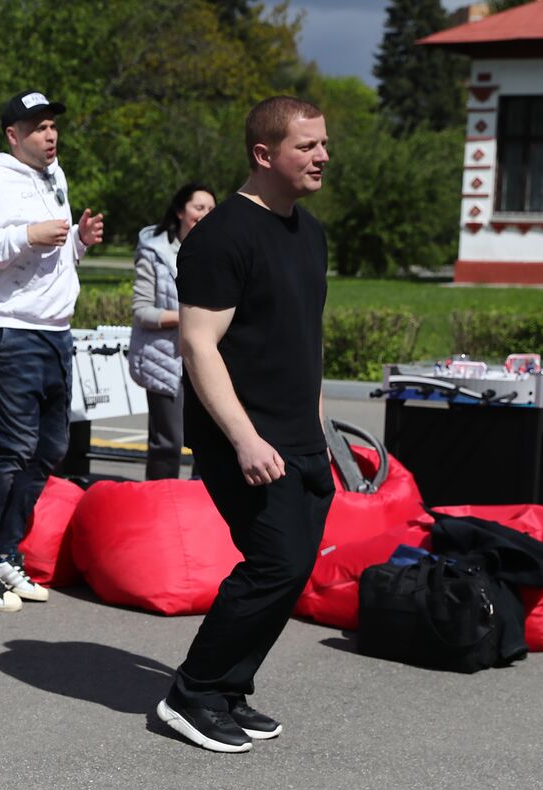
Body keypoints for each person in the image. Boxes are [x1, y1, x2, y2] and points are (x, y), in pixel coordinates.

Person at [155, 96, 334, 753]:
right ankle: (191, 694)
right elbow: (198, 345)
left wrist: (320, 429)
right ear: (264, 154)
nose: (322, 156)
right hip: (245, 437)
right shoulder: (222, 236)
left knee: (292, 569)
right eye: (306, 146)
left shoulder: (310, 233)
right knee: (274, 562)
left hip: (300, 434)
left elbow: (304, 341)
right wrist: (244, 439)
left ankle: (228, 688)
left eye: (323, 143)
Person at [0, 90, 105, 612]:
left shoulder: (55, 178)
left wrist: (79, 241)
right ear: (13, 136)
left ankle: (3, 554)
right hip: (11, 329)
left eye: (53, 125)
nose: (50, 135)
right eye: (38, 127)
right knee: (14, 448)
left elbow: (55, 257)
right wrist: (26, 234)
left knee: (49, 449)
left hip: (56, 330)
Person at [128, 182, 216, 480]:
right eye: (199, 207)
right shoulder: (154, 253)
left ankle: (203, 498)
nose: (205, 214)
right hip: (164, 359)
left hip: (206, 359)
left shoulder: (220, 252)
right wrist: (188, 318)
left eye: (211, 209)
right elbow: (142, 311)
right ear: (180, 211)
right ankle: (161, 499)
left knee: (210, 440)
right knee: (168, 443)